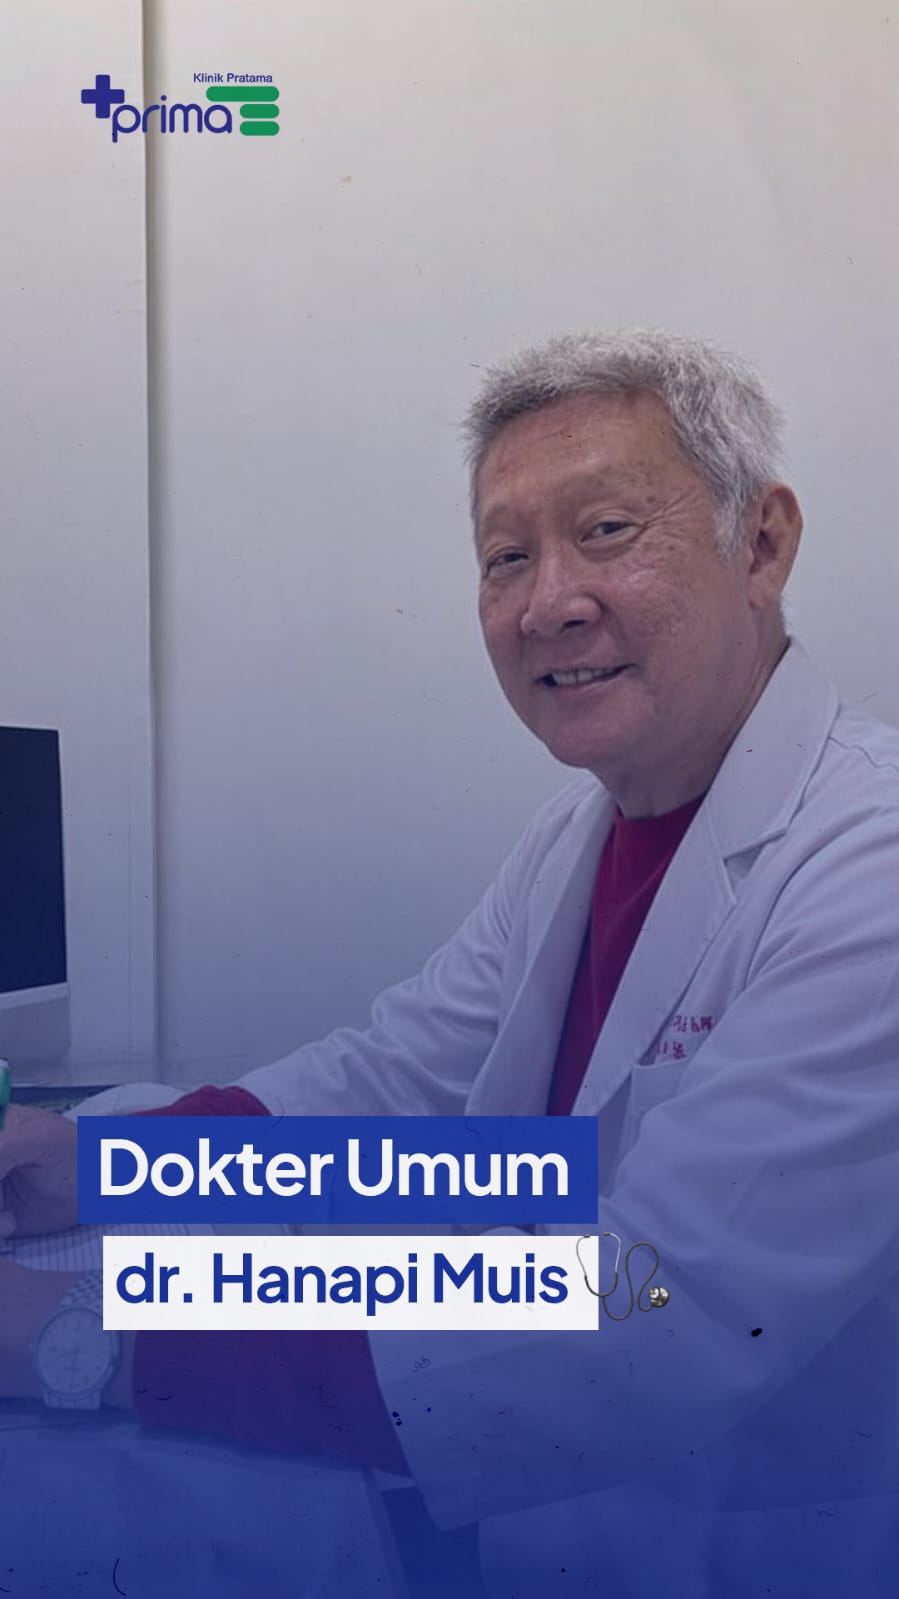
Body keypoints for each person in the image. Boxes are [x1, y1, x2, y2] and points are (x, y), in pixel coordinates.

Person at [2, 330, 899, 1596]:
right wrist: (102, 1170)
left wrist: (78, 1337)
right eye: (504, 556)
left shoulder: (866, 866)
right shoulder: (583, 832)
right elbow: (406, 1092)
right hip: (536, 1519)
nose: (547, 603)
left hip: (756, 1549)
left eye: (605, 531)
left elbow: (649, 1306)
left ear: (759, 544)